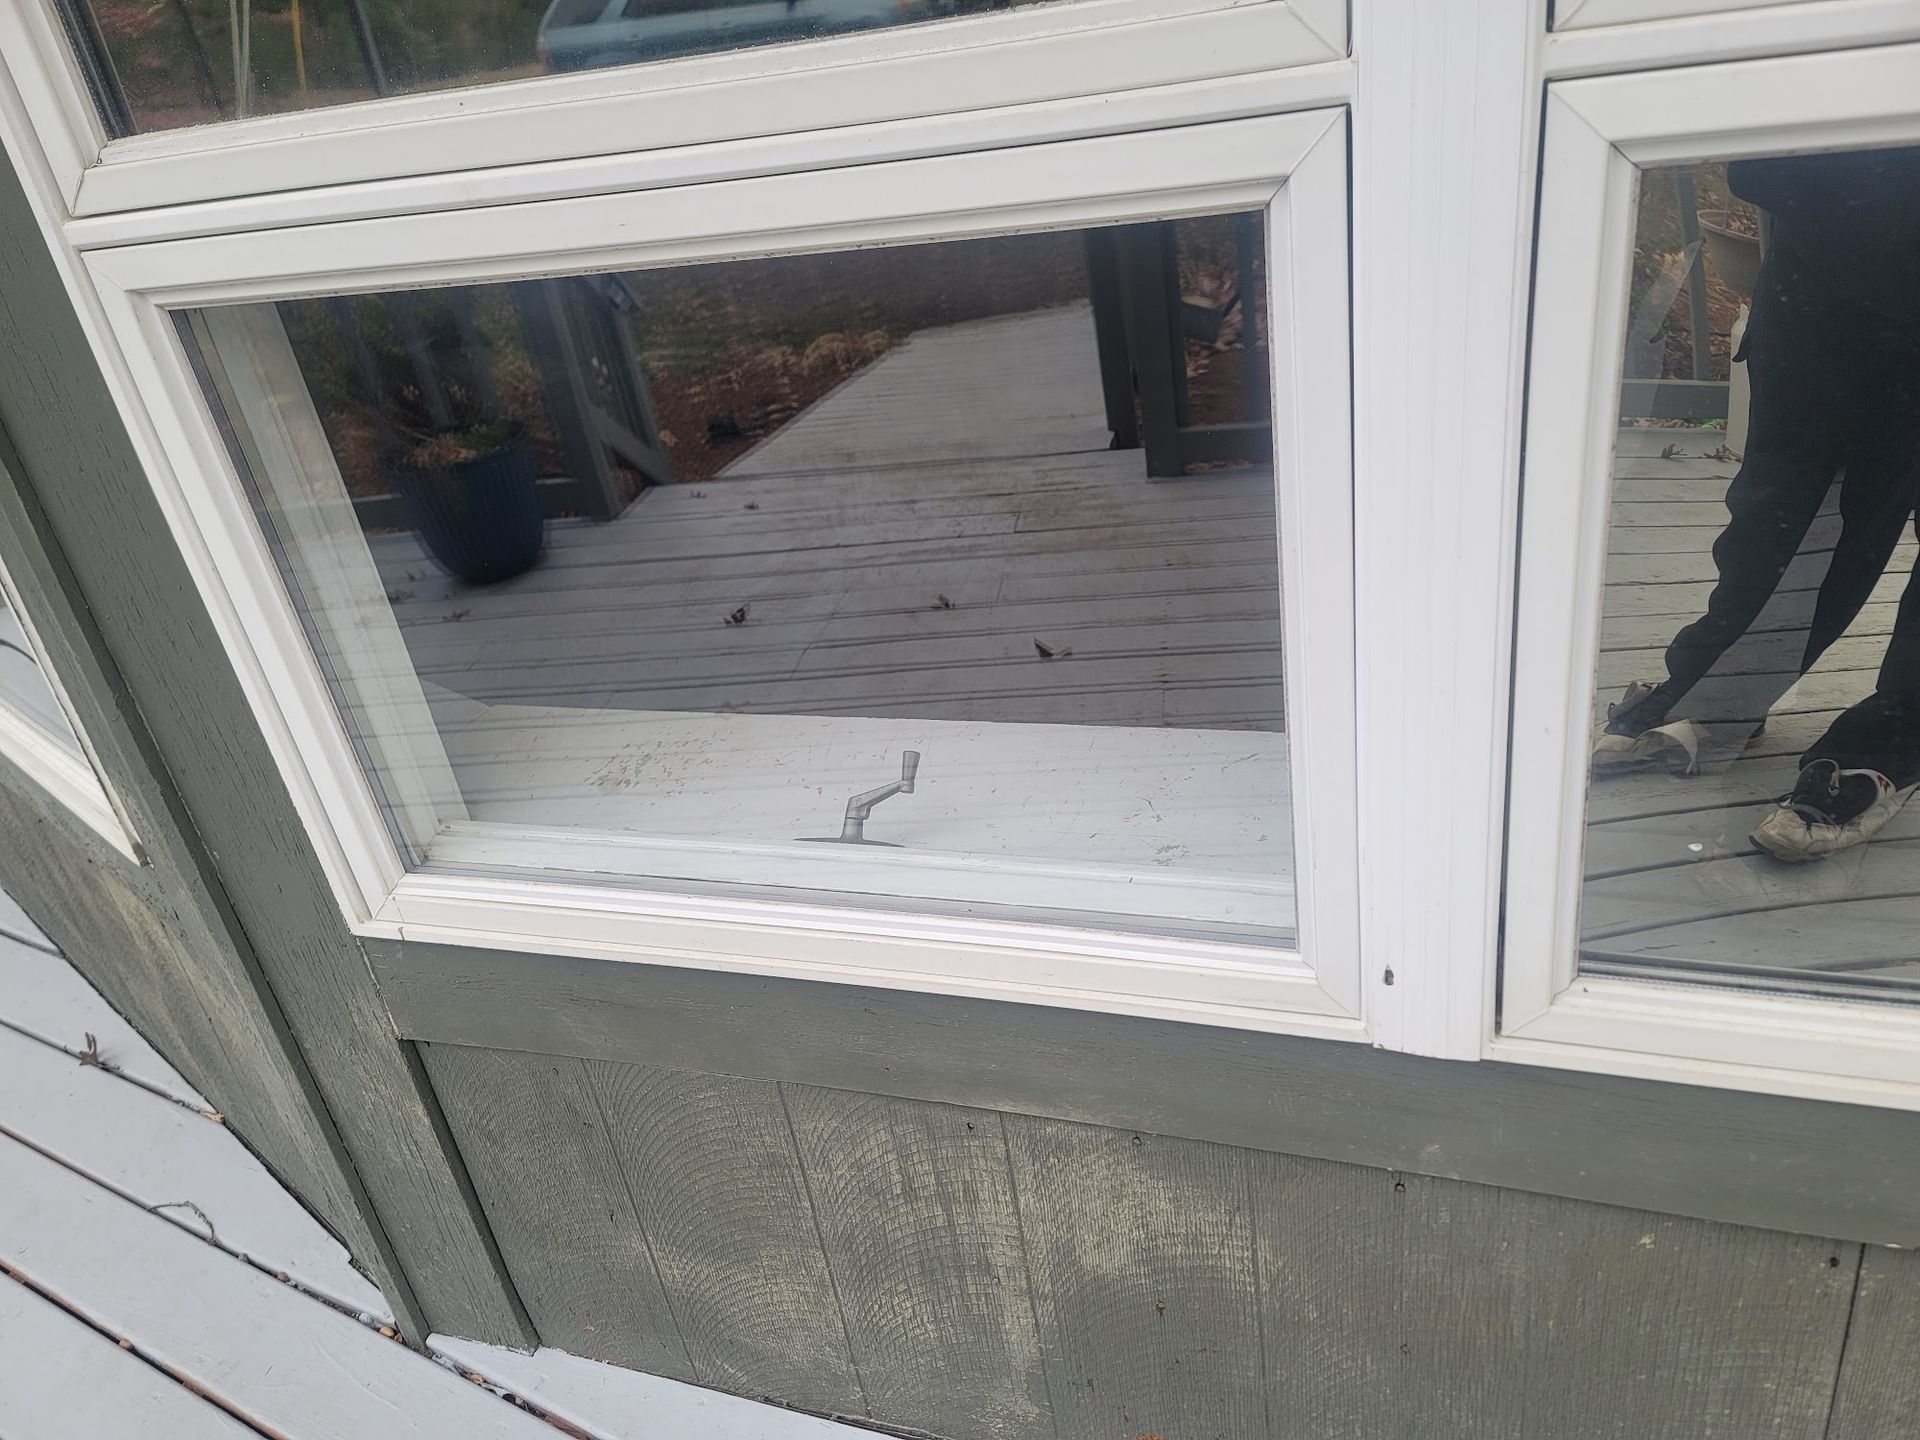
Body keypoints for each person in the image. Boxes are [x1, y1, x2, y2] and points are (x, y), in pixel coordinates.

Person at [1592, 145, 1920, 862]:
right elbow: (1760, 157)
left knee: (1797, 514)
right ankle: (1719, 691)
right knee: (1785, 519)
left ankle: (1893, 737)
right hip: (1834, 291)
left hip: (1840, 262)